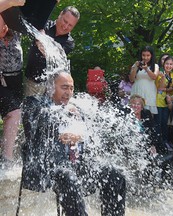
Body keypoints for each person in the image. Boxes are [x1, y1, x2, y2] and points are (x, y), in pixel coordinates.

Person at [21, 71, 126, 215]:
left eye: (71, 88)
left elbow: (93, 134)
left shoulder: (76, 108)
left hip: (77, 165)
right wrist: (62, 111)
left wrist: (80, 136)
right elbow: (35, 122)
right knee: (67, 176)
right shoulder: (33, 103)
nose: (69, 92)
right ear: (51, 87)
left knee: (115, 174)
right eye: (64, 87)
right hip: (48, 167)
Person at [24, 6, 80, 96]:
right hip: (32, 81)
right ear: (60, 14)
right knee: (30, 108)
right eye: (65, 21)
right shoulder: (44, 24)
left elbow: (52, 54)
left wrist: (41, 38)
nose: (65, 26)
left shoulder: (69, 42)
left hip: (53, 86)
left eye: (70, 25)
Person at [0, 15, 23, 166]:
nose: (2, 28)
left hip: (16, 80)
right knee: (14, 112)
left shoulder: (16, 30)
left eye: (3, 24)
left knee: (14, 115)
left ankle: (4, 153)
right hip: (1, 80)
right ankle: (7, 159)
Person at [129, 45, 159, 114]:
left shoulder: (155, 66)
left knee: (148, 117)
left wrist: (147, 69)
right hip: (137, 92)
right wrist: (136, 67)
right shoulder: (135, 64)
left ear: (151, 56)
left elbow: (154, 77)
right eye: (143, 55)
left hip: (149, 95)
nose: (145, 58)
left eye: (148, 55)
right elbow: (131, 79)